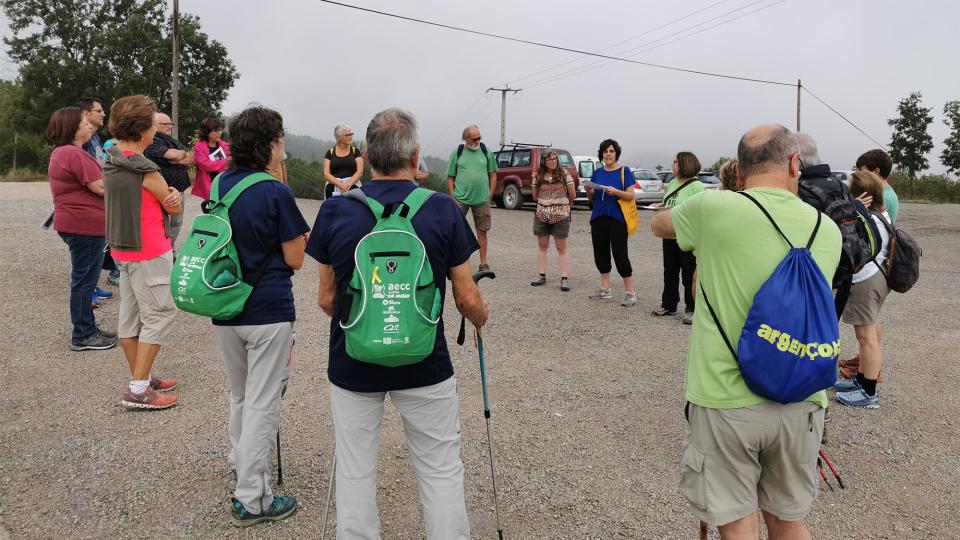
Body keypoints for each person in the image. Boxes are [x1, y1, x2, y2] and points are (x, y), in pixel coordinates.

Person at [651, 124, 841, 539]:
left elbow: (660, 225)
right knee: (789, 519)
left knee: (737, 521)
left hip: (726, 399)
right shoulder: (825, 229)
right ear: (795, 163)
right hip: (802, 396)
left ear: (738, 169)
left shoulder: (714, 209)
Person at [307, 108, 488, 539]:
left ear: (367, 157)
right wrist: (480, 317)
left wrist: (369, 323)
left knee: (354, 467)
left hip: (353, 361)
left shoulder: (337, 212)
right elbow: (467, 299)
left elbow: (327, 299)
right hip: (425, 362)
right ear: (416, 156)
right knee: (440, 467)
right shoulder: (443, 210)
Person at [210, 106, 309, 527]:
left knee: (241, 395)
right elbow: (295, 258)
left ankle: (241, 463)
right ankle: (252, 498)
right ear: (270, 144)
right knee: (263, 402)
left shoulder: (220, 181)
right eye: (281, 140)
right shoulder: (275, 191)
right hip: (267, 310)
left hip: (224, 306)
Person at [103, 95, 182, 410]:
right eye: (153, 125)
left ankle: (143, 376)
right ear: (142, 130)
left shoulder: (112, 156)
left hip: (123, 248)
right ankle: (138, 389)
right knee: (160, 313)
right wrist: (173, 197)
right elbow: (169, 203)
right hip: (149, 248)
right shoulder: (145, 168)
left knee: (131, 317)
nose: (157, 131)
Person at [46, 106, 118, 351]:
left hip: (81, 225)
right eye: (84, 122)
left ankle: (87, 328)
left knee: (85, 280)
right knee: (85, 282)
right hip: (84, 226)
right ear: (72, 128)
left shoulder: (65, 152)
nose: (89, 126)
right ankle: (83, 335)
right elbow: (100, 187)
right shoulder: (73, 154)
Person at [832, 170, 891, 409]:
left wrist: (852, 207)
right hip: (879, 277)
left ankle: (869, 392)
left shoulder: (865, 217)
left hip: (866, 280)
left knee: (866, 338)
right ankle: (861, 379)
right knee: (869, 333)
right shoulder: (882, 213)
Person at [651, 152, 704, 324]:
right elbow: (670, 203)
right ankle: (669, 304)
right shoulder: (672, 183)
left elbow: (698, 211)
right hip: (669, 234)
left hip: (687, 236)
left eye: (675, 162)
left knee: (689, 273)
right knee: (670, 270)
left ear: (684, 164)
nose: (672, 165)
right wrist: (661, 205)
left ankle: (692, 308)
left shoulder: (697, 186)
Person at [584, 138, 636, 306]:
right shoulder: (598, 173)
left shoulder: (624, 171)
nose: (608, 154)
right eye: (605, 151)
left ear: (616, 153)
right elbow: (592, 197)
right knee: (600, 254)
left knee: (620, 255)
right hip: (598, 218)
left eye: (611, 151)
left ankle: (630, 292)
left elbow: (630, 195)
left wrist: (617, 192)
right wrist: (589, 191)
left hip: (617, 219)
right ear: (602, 154)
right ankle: (605, 289)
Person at [76, 97, 120, 288]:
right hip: (89, 200)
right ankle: (88, 291)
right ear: (86, 113)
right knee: (88, 248)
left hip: (101, 198)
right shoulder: (81, 139)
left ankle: (93, 285)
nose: (103, 114)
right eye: (99, 110)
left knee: (100, 244)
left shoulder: (94, 137)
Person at [445, 124, 498, 271]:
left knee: (482, 231)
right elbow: (450, 176)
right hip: (460, 199)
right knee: (455, 231)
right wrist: (452, 195)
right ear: (466, 138)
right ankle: (454, 262)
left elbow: (493, 175)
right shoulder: (458, 152)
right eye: (474, 138)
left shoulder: (486, 151)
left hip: (482, 199)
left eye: (479, 138)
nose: (478, 141)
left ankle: (483, 263)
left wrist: (490, 195)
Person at [144, 112, 193, 249]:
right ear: (154, 125)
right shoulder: (152, 140)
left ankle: (169, 250)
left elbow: (190, 158)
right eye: (165, 124)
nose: (169, 126)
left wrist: (175, 157)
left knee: (177, 222)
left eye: (171, 124)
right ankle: (162, 249)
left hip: (180, 188)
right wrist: (176, 156)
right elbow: (174, 154)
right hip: (164, 190)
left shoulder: (172, 140)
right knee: (164, 223)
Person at [530, 149, 575, 291]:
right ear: (544, 161)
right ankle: (542, 276)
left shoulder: (564, 174)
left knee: (561, 247)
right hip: (542, 214)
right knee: (542, 246)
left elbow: (572, 194)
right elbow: (535, 197)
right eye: (550, 159)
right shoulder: (538, 176)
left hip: (561, 215)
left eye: (555, 158)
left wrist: (562, 205)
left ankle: (564, 278)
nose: (553, 161)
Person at [192, 117, 232, 201]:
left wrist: (223, 163)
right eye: (216, 130)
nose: (219, 133)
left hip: (225, 183)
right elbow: (205, 165)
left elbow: (233, 161)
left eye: (220, 130)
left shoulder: (225, 145)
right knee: (212, 210)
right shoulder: (199, 147)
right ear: (207, 131)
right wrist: (225, 162)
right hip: (209, 185)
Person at [856, 149, 899, 223]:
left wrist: (855, 207)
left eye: (861, 170)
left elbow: (867, 225)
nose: (858, 174)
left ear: (876, 171)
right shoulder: (885, 192)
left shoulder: (882, 197)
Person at [322, 123, 363, 199]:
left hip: (353, 189)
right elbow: (326, 174)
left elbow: (360, 171)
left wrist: (348, 185)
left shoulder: (355, 151)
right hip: (332, 190)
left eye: (351, 134)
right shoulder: (330, 153)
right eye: (348, 135)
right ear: (339, 137)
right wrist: (341, 185)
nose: (351, 137)